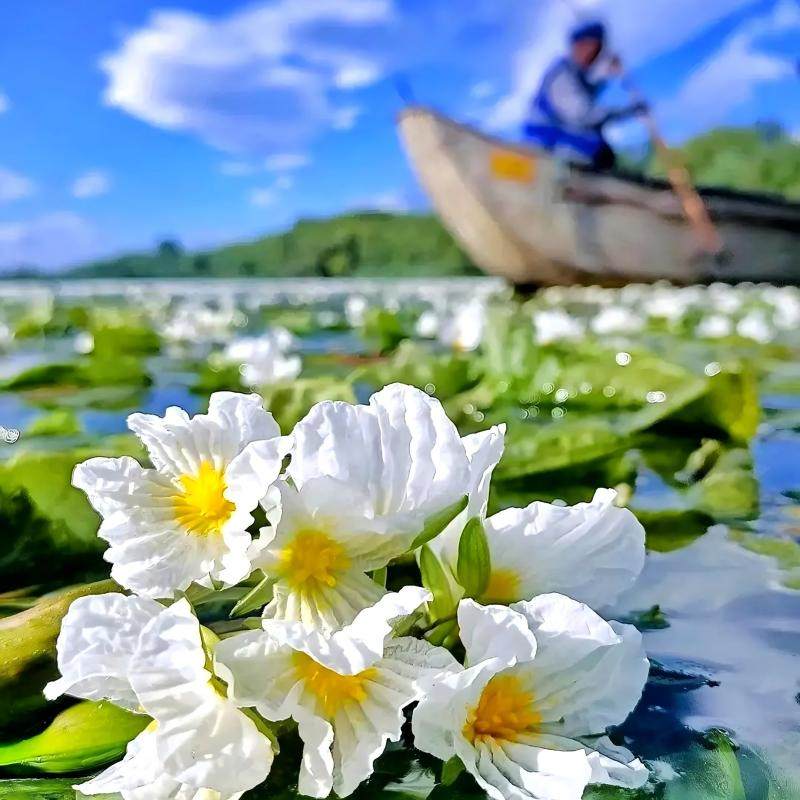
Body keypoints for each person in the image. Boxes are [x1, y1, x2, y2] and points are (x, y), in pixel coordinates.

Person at [524, 21, 647, 170]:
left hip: (562, 139)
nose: (593, 57)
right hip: (548, 144)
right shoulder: (561, 75)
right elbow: (583, 115)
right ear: (579, 46)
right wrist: (628, 112)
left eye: (597, 52)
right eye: (593, 50)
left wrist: (608, 73)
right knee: (597, 151)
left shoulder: (577, 75)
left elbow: (588, 90)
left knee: (603, 152)